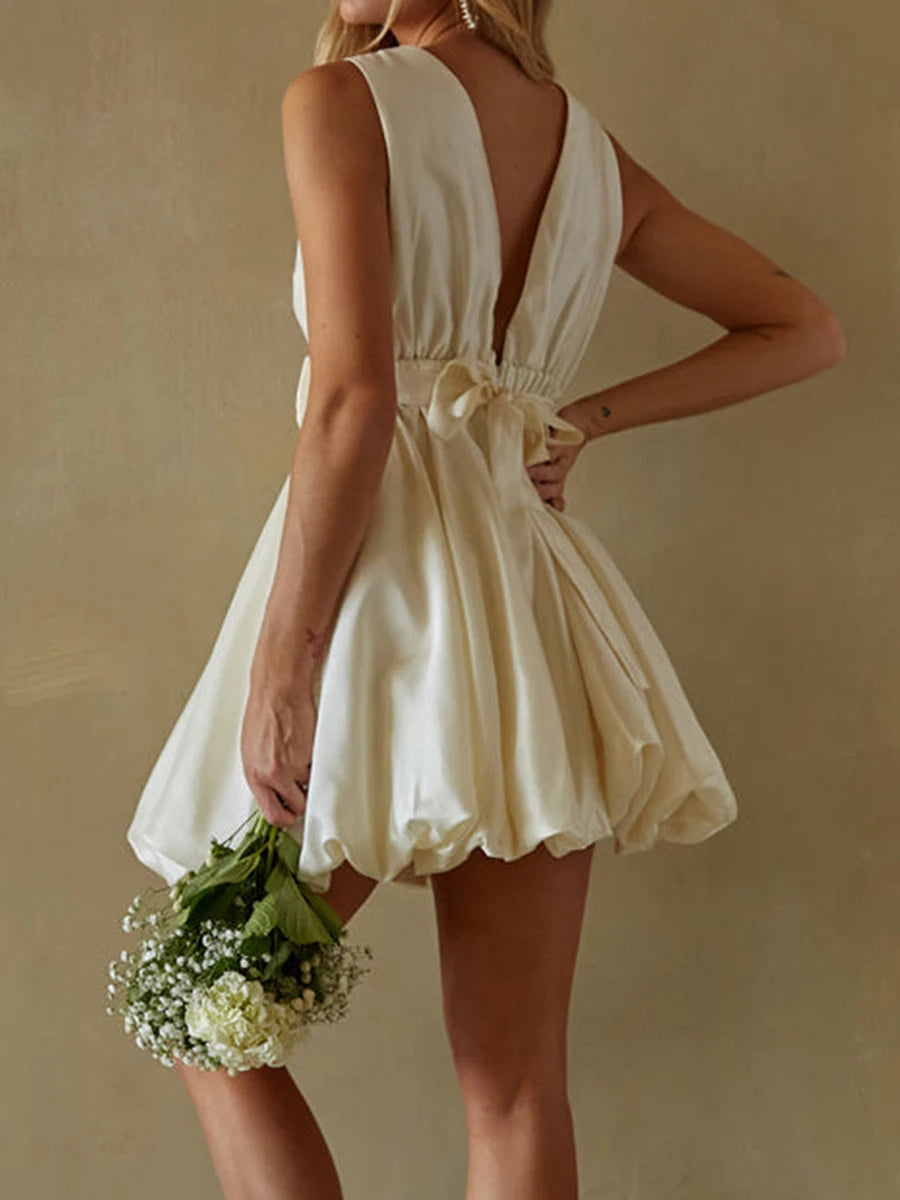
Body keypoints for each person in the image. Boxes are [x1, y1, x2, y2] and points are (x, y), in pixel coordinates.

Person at [133, 1, 845, 1196]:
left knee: (206, 1009)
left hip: (384, 601)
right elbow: (804, 328)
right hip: (526, 614)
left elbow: (355, 404)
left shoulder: (342, 104)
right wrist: (580, 420)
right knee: (514, 1090)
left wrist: (285, 664)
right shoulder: (587, 153)